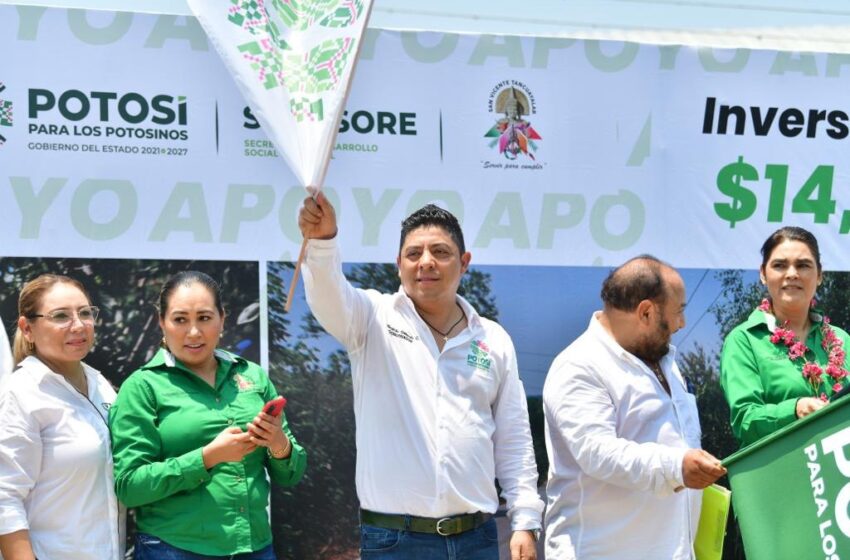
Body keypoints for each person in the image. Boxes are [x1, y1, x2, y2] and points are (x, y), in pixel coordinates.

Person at [298, 193, 543, 560]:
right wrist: (322, 242)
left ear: (464, 263)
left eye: (440, 252)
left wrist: (524, 520)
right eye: (414, 254)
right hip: (395, 541)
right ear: (399, 264)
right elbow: (327, 295)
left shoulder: (493, 339)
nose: (425, 262)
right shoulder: (371, 319)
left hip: (476, 538)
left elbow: (513, 438)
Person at [109, 271, 306, 560]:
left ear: (222, 319)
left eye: (204, 318)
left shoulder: (252, 375)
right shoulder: (142, 387)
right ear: (161, 322)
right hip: (174, 550)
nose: (193, 332)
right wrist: (207, 457)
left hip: (255, 548)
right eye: (180, 319)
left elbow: (292, 474)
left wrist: (278, 444)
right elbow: (130, 486)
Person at [543, 255, 726, 560]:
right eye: (679, 311)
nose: (682, 323)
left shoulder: (664, 359)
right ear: (646, 312)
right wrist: (677, 466)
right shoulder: (579, 366)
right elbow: (597, 452)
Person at [0, 274, 124, 560]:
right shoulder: (22, 394)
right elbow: (4, 498)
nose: (78, 325)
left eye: (84, 313)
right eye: (60, 316)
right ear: (27, 328)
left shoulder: (101, 386)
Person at [720, 226, 850, 448]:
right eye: (779, 265)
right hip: (780, 473)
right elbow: (745, 420)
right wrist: (795, 409)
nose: (792, 274)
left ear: (819, 275)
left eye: (803, 265)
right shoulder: (744, 340)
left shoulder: (842, 339)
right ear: (763, 274)